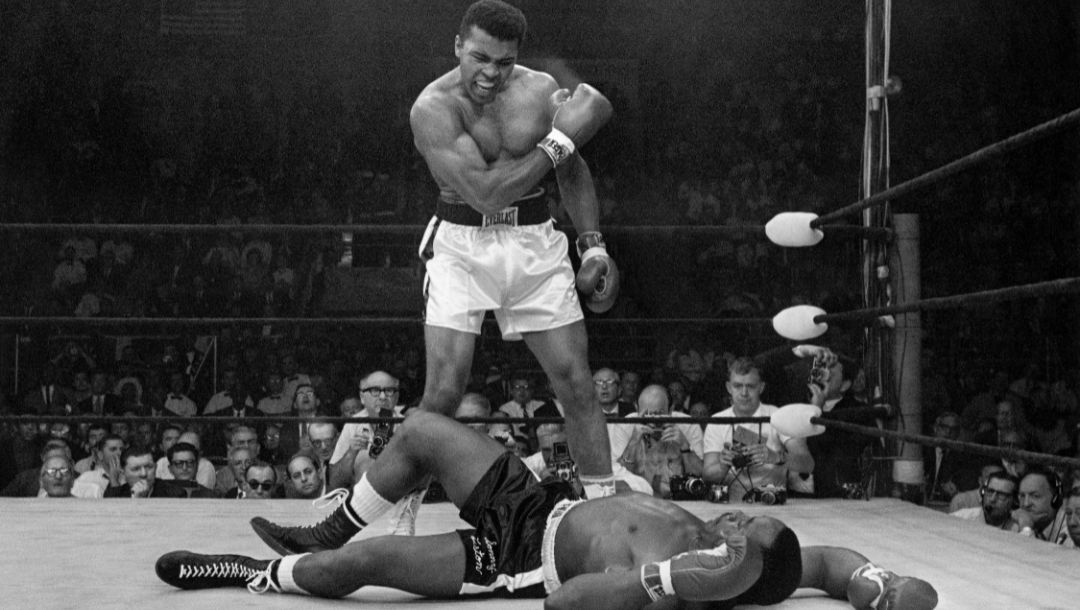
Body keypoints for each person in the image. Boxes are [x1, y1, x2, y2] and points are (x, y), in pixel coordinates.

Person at [156, 409, 937, 609]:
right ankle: (328, 519)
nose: (735, 517)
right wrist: (885, 585)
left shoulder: (682, 574)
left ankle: (253, 573)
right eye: (747, 520)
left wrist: (672, 580)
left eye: (745, 528)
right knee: (423, 430)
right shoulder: (767, 556)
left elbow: (564, 604)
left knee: (354, 569)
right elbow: (829, 565)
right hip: (536, 501)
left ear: (742, 562)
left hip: (519, 558)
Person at [405, 0, 618, 499]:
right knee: (442, 394)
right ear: (458, 46)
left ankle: (603, 509)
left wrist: (592, 246)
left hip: (534, 239)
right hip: (462, 244)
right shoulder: (433, 108)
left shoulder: (539, 90)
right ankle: (400, 510)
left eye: (504, 62)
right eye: (479, 58)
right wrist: (559, 140)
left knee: (576, 383)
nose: (490, 74)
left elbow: (571, 169)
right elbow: (485, 194)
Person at [702, 357, 814, 500]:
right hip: (730, 505)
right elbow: (707, 476)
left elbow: (807, 463)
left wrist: (777, 457)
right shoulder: (716, 421)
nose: (744, 393)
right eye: (737, 386)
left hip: (772, 504)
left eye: (750, 386)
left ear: (761, 387)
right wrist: (723, 465)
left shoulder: (779, 416)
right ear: (728, 388)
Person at [949, 471, 1020, 531]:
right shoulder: (961, 518)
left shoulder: (1018, 529)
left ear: (1013, 500)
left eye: (1001, 495)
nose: (992, 499)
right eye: (990, 491)